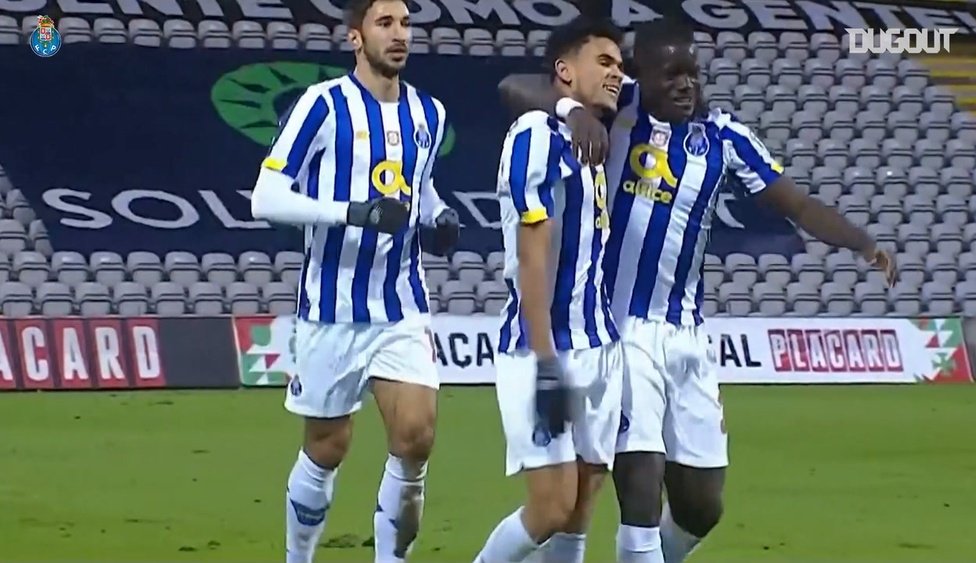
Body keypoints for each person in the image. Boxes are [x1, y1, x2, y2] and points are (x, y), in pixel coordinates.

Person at [497, 19, 898, 563]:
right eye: (672, 75)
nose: (687, 85)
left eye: (693, 74)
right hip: (622, 328)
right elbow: (515, 86)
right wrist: (569, 109)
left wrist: (863, 243)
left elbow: (797, 205)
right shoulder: (621, 108)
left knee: (702, 505)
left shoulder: (725, 138)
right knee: (639, 482)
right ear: (646, 78)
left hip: (687, 337)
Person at [248, 0, 460, 561]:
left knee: (416, 437)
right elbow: (265, 197)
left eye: (406, 24)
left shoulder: (429, 114)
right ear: (355, 37)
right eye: (384, 23)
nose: (399, 35)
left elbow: (420, 183)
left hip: (402, 305)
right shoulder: (322, 106)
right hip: (331, 308)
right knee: (327, 447)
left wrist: (438, 217)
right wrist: (354, 213)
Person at [472, 16, 625, 563]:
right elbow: (533, 257)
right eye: (604, 63)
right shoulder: (537, 137)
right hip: (543, 347)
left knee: (582, 502)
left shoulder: (598, 139)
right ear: (565, 70)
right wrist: (545, 363)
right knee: (551, 506)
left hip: (601, 345)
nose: (617, 75)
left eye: (621, 66)